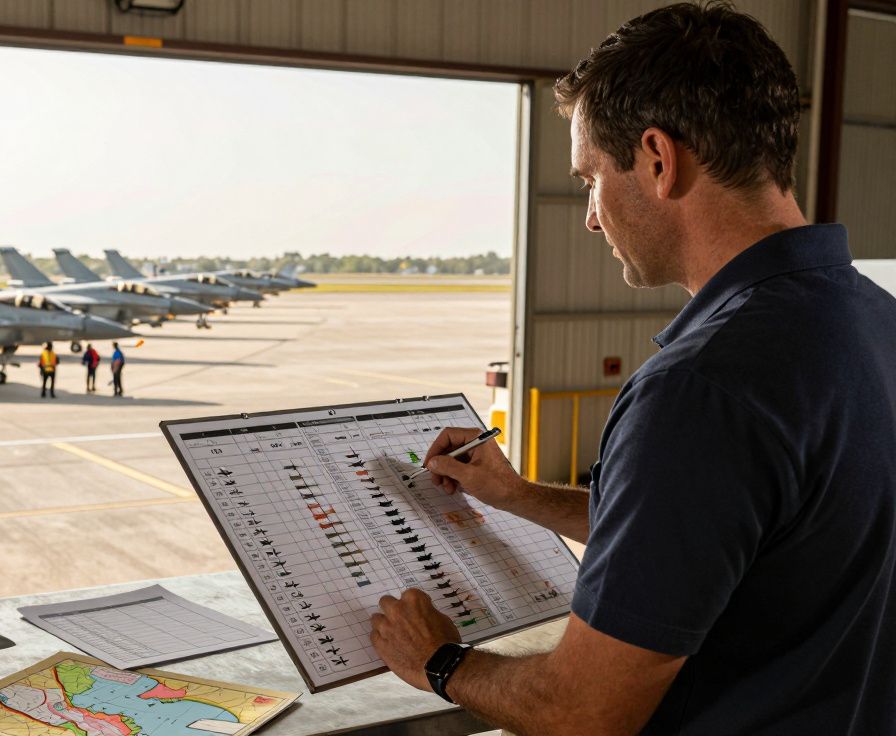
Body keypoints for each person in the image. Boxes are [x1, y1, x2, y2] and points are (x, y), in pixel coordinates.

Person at [369, 4, 896, 734]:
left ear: (657, 159)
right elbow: (719, 530)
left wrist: (438, 661)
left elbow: (583, 712)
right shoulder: (874, 320)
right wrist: (518, 495)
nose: (591, 215)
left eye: (591, 177)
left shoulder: (703, 388)